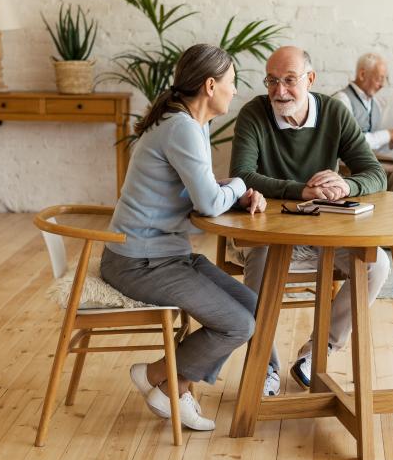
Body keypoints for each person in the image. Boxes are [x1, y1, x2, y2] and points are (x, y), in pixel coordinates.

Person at [100, 44, 267, 431]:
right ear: (210, 86)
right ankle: (167, 382)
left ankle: (164, 382)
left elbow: (203, 188)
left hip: (165, 254)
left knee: (252, 306)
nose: (235, 89)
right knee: (238, 324)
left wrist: (231, 192)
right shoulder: (181, 128)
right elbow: (208, 203)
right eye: (232, 82)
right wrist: (241, 183)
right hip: (139, 262)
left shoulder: (191, 124)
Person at [229, 46, 390, 395]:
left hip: (324, 234)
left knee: (378, 264)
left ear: (310, 79)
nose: (279, 90)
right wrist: (299, 190)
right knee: (259, 265)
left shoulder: (333, 112)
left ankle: (318, 351)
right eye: (272, 80)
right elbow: (241, 175)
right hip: (268, 237)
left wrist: (346, 184)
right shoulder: (254, 114)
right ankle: (265, 366)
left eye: (289, 80)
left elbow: (376, 174)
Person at [333, 53, 393, 191]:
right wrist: (388, 134)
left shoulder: (375, 104)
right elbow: (348, 143)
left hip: (365, 159)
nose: (382, 84)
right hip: (346, 161)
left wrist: (392, 142)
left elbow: (372, 146)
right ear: (362, 74)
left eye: (384, 79)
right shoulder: (342, 100)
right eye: (379, 78)